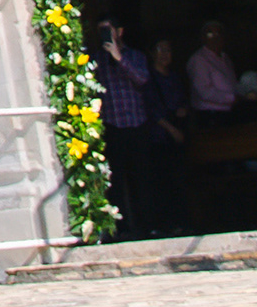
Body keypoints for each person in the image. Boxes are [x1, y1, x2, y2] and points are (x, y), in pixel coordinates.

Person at [92, 19, 152, 236]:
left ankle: (146, 227)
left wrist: (119, 58)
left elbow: (142, 79)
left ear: (119, 31)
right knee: (115, 181)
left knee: (141, 179)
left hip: (137, 124)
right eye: (100, 30)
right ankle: (123, 229)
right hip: (113, 126)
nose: (104, 34)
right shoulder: (96, 60)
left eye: (108, 30)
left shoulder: (136, 56)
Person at [141, 37, 192, 238]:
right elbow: (151, 109)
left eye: (168, 50)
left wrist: (183, 110)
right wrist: (171, 129)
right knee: (164, 183)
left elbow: (184, 100)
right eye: (160, 50)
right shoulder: (149, 78)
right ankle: (168, 225)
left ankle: (184, 222)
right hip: (160, 137)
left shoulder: (175, 77)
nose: (165, 54)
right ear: (152, 53)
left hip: (177, 134)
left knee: (181, 180)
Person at [189, 18, 238, 117]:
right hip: (210, 115)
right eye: (210, 34)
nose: (215, 38)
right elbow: (205, 92)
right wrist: (233, 98)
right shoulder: (199, 59)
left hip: (229, 113)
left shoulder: (225, 58)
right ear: (203, 38)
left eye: (218, 34)